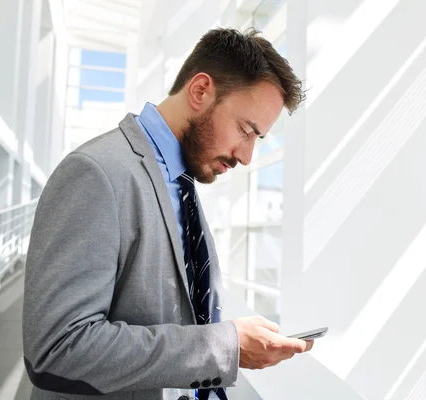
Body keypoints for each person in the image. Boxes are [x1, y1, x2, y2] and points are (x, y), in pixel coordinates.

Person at [22, 28, 313, 400]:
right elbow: (57, 349)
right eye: (245, 130)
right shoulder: (95, 173)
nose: (246, 156)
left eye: (257, 140)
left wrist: (234, 338)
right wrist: (223, 345)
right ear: (200, 91)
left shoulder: (182, 182)